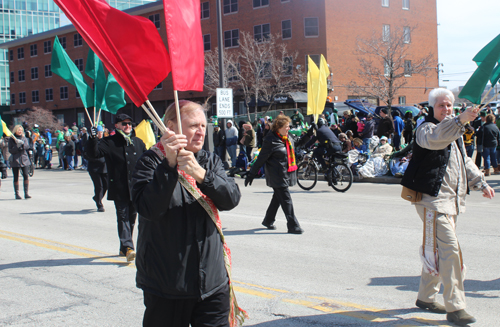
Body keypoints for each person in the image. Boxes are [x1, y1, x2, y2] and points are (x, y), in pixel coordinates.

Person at [131, 100, 244, 327]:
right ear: (170, 127)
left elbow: (231, 198)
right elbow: (148, 209)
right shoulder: (150, 162)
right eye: (193, 125)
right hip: (167, 285)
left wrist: (201, 174)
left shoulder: (209, 160)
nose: (201, 131)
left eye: (203, 125)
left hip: (212, 282)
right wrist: (169, 167)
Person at [401, 88, 495, 326]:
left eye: (449, 105)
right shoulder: (426, 128)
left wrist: (480, 181)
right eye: (441, 106)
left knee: (436, 248)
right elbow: (435, 140)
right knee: (450, 249)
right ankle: (456, 307)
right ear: (432, 108)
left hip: (451, 201)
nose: (446, 109)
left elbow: (463, 160)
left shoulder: (455, 131)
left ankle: (426, 297)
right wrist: (459, 120)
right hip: (431, 200)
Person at [86, 113, 146, 262]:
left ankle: (123, 247)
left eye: (129, 124)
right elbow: (93, 154)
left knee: (132, 218)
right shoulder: (109, 142)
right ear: (117, 125)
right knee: (123, 217)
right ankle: (128, 247)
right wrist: (93, 139)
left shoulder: (138, 142)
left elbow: (146, 162)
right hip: (119, 186)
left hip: (135, 187)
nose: (127, 126)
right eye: (124, 124)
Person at [245, 114, 303, 234]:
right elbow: (261, 159)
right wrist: (251, 174)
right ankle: (293, 225)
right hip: (276, 175)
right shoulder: (270, 140)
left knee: (277, 198)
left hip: (285, 173)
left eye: (288, 126)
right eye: (286, 126)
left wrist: (310, 134)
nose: (288, 128)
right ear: (279, 127)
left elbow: (299, 143)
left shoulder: (286, 137)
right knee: (286, 199)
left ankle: (268, 220)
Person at [8, 125, 33, 199]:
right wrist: (17, 146)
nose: (20, 131)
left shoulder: (24, 138)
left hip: (24, 159)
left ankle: (26, 193)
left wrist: (21, 144)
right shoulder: (11, 139)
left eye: (21, 130)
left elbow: (27, 146)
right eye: (18, 130)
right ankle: (17, 194)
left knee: (26, 175)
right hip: (15, 160)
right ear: (15, 130)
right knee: (16, 177)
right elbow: (11, 150)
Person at [87, 125, 108, 212]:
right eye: (99, 133)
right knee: (99, 186)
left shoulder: (105, 142)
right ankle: (99, 204)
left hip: (104, 168)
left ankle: (96, 197)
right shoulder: (90, 142)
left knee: (106, 185)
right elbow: (87, 154)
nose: (100, 134)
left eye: (101, 133)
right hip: (94, 168)